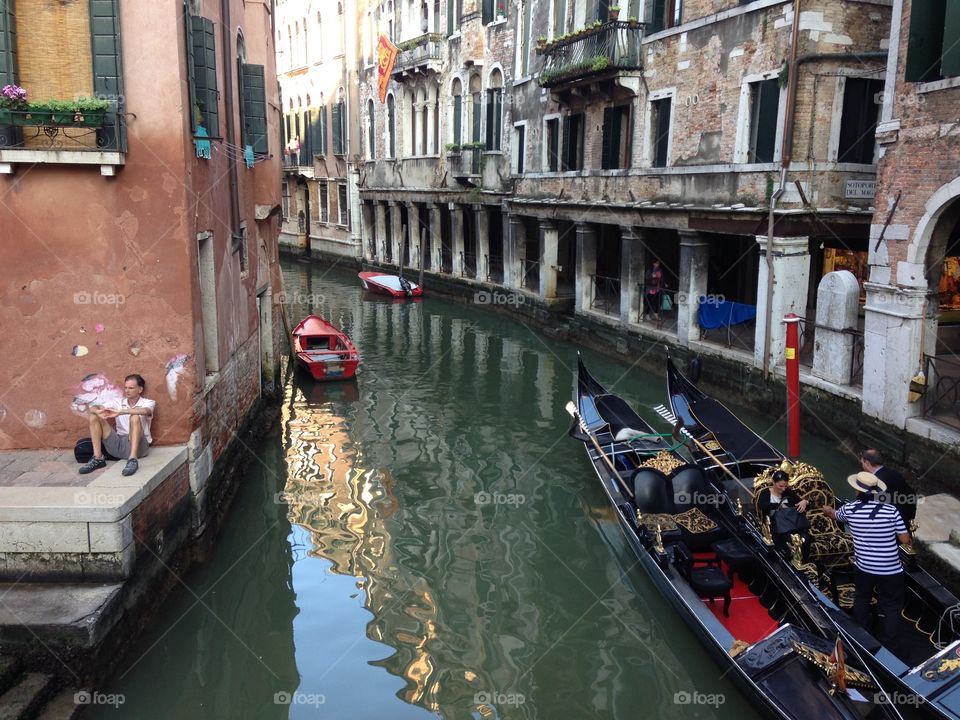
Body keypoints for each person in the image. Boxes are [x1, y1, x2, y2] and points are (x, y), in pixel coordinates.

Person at [823, 471, 911, 649]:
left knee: (862, 599)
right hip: (890, 570)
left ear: (857, 491)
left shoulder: (850, 509)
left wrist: (828, 511)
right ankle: (889, 643)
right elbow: (905, 540)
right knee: (892, 606)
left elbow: (835, 515)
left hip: (864, 568)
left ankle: (863, 637)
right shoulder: (891, 510)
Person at [79, 374, 155, 477]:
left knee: (135, 417)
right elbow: (94, 408)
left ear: (140, 389)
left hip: (139, 447)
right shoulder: (117, 402)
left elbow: (145, 411)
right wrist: (97, 410)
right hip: (118, 444)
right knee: (94, 415)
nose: (127, 390)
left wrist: (120, 412)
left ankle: (133, 459)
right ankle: (98, 458)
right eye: (126, 387)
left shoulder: (148, 402)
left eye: (131, 388)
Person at [757, 470, 810, 558]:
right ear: (773, 482)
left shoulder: (788, 492)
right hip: (777, 526)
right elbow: (762, 505)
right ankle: (790, 561)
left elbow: (801, 502)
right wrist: (779, 505)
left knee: (805, 538)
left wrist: (805, 502)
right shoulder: (766, 493)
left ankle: (803, 562)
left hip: (793, 524)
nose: (783, 489)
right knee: (790, 539)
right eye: (781, 486)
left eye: (785, 486)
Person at [860, 448, 917, 527]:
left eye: (862, 463)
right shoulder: (895, 474)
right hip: (904, 521)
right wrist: (909, 519)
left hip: (887, 527)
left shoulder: (872, 483)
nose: (862, 466)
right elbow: (911, 495)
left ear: (867, 463)